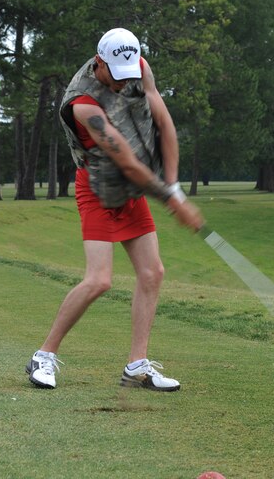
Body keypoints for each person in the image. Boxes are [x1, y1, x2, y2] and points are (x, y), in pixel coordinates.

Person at [25, 27, 204, 392]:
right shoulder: (83, 103)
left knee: (153, 272)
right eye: (116, 76)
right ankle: (43, 356)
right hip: (98, 186)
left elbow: (165, 124)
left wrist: (174, 187)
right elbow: (125, 159)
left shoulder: (138, 67)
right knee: (99, 280)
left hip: (129, 188)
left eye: (130, 74)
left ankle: (137, 366)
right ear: (99, 62)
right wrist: (171, 201)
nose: (125, 83)